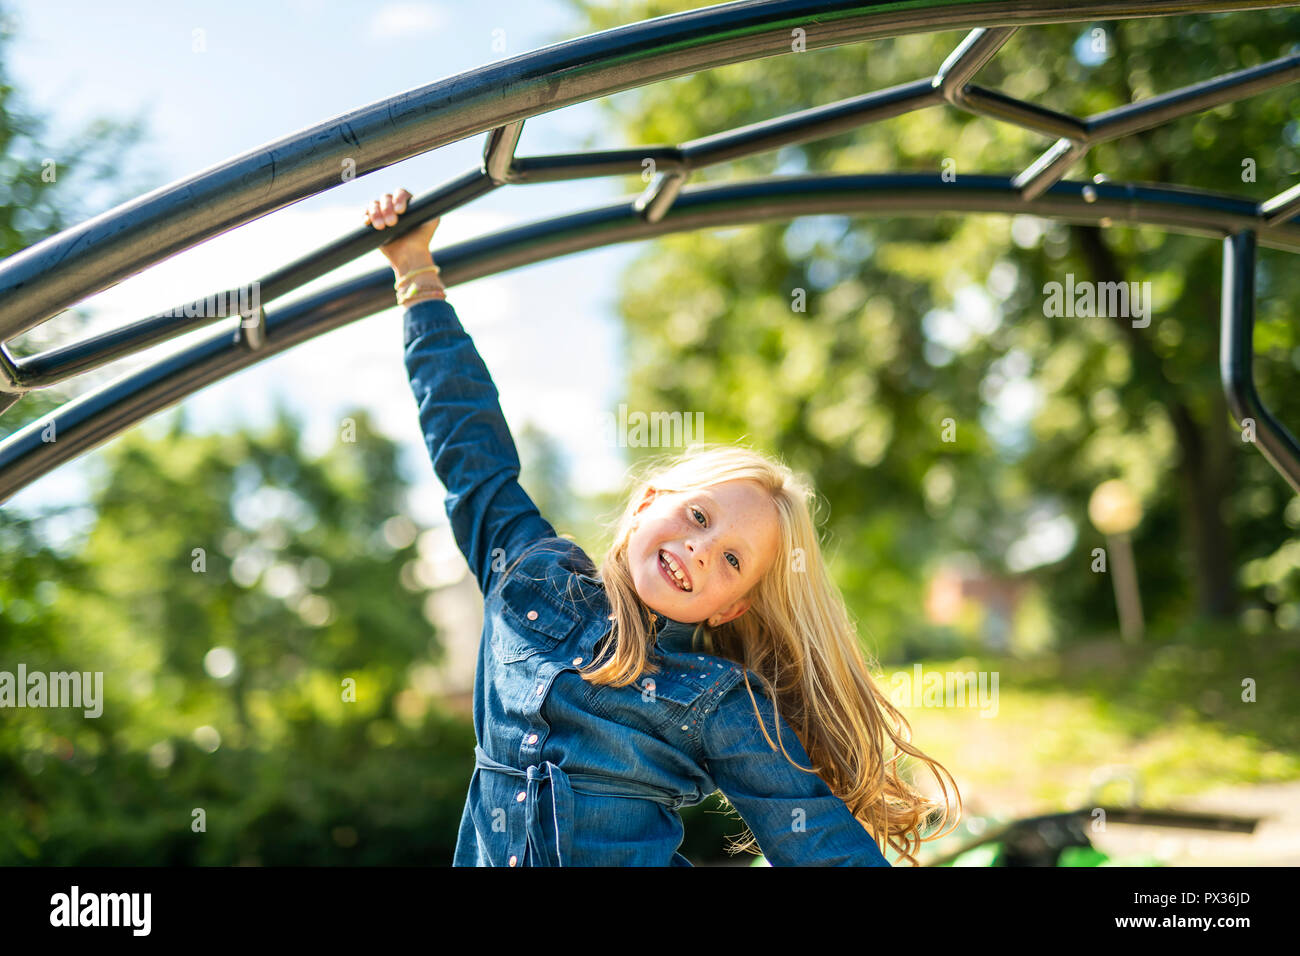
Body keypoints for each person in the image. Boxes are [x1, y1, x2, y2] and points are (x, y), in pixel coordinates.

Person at [366, 188, 961, 866]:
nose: (701, 550)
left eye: (733, 560)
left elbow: (821, 843)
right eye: (698, 516)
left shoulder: (715, 698)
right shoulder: (531, 575)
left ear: (731, 606)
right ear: (649, 500)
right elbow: (470, 451)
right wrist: (415, 269)